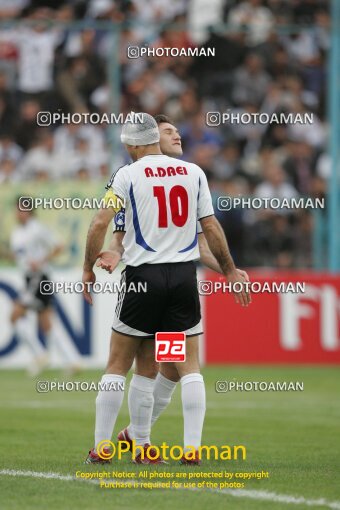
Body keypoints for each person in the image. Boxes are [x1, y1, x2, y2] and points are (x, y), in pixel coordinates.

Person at [83, 113, 251, 465]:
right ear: (154, 137)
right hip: (182, 281)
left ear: (130, 144)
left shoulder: (128, 175)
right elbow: (211, 227)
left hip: (143, 279)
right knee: (181, 365)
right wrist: (231, 270)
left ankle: (103, 448)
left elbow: (102, 221)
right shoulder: (194, 173)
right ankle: (181, 449)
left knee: (120, 363)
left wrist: (88, 269)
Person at [10, 197, 81, 375]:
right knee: (46, 321)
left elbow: (59, 246)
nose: (20, 213)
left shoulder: (37, 229)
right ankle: (72, 361)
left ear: (30, 211)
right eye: (18, 210)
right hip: (29, 278)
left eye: (23, 210)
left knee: (15, 315)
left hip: (38, 278)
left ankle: (40, 354)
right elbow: (19, 257)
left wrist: (41, 261)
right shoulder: (17, 233)